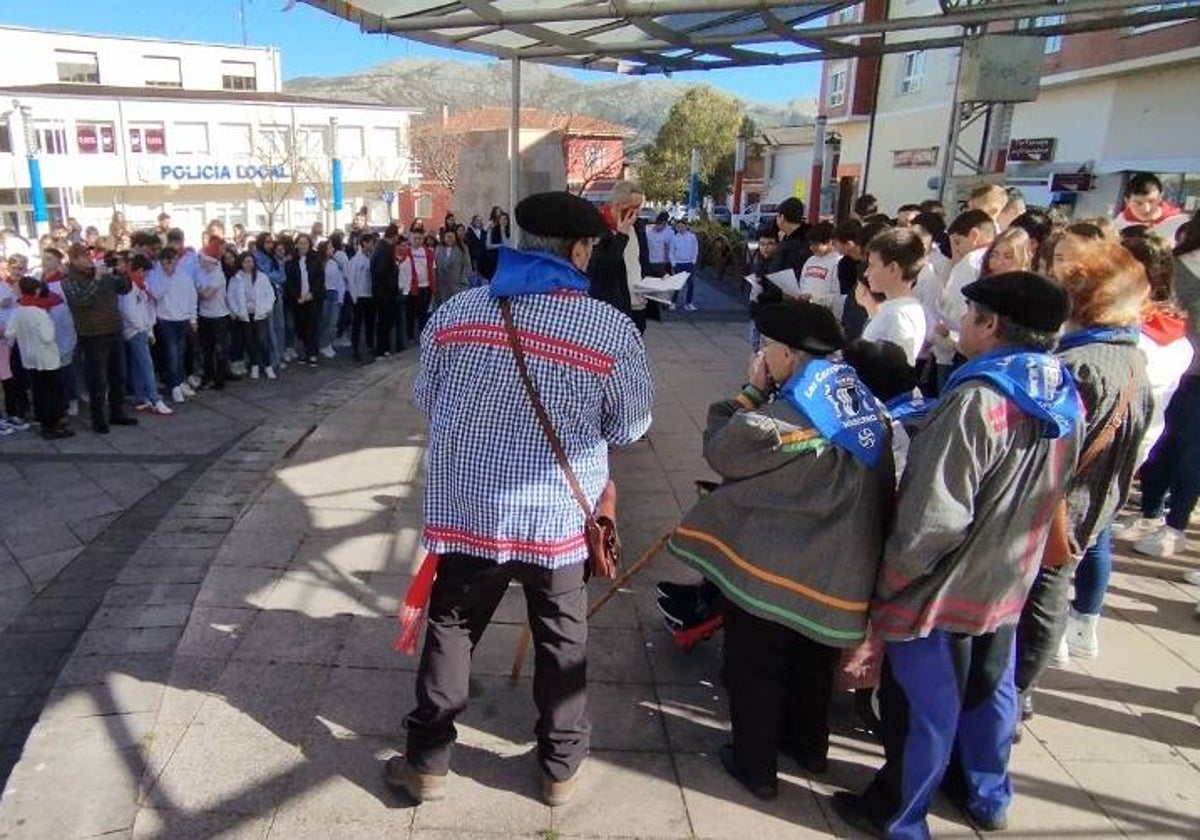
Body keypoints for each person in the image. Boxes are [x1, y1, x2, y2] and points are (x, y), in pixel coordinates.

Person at [388, 191, 654, 808]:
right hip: (557, 520)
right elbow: (631, 427)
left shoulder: (456, 314)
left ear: (520, 241)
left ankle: (427, 761)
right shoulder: (608, 328)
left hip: (468, 514)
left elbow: (426, 399)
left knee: (452, 626)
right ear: (580, 250)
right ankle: (558, 769)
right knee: (562, 637)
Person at [832, 271, 1083, 838]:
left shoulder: (978, 400)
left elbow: (933, 518)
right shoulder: (1061, 389)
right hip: (1008, 579)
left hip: (943, 592)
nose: (956, 325)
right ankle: (985, 794)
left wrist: (890, 586)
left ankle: (900, 814)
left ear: (992, 325)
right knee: (991, 693)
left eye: (969, 316)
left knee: (923, 713)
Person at [667, 298, 893, 800]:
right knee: (813, 663)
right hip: (837, 571)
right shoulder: (862, 401)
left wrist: (750, 391)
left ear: (789, 355)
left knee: (757, 665)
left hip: (775, 568)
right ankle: (809, 750)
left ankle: (755, 767)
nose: (763, 356)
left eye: (768, 348)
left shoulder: (786, 414)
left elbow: (725, 448)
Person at [1016, 241, 1153, 709]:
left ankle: (1015, 698)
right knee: (1050, 590)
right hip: (1092, 505)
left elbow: (1045, 447)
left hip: (1059, 507)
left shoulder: (1082, 367)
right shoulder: (1131, 358)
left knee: (1039, 598)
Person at [1067, 231, 1193, 657]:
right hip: (1134, 443)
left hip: (1102, 443)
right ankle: (1084, 620)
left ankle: (1074, 623)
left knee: (1077, 536)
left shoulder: (1135, 339)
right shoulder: (1174, 333)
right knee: (1095, 531)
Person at [1124, 217, 1200, 562]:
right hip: (1175, 365)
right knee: (1162, 443)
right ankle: (1150, 513)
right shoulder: (1179, 263)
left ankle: (1176, 526)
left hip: (1187, 370)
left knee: (1191, 456)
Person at [61, 243, 137, 434]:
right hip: (92, 334)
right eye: (85, 256)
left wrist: (121, 272)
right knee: (98, 380)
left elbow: (124, 289)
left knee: (118, 375)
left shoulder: (102, 271)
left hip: (113, 329)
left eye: (90, 255)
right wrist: (96, 279)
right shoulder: (69, 278)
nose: (90, 259)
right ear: (75, 259)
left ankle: (117, 412)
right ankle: (98, 419)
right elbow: (81, 300)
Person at [8, 276, 72, 439]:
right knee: (53, 393)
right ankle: (54, 425)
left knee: (38, 391)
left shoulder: (18, 311)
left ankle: (43, 422)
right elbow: (48, 337)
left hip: (29, 358)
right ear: (36, 290)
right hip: (47, 358)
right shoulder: (40, 312)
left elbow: (10, 333)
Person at [588, 181, 652, 330]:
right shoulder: (598, 230)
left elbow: (641, 261)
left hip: (638, 304)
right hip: (613, 309)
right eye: (631, 209)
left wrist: (659, 278)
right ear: (616, 205)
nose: (635, 214)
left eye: (639, 209)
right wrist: (621, 236)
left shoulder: (637, 227)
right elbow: (603, 271)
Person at [860, 229, 928, 367]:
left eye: (872, 265)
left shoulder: (899, 315)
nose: (866, 273)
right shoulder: (894, 309)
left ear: (893, 269)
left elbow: (896, 368)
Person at [117, 253, 170, 416]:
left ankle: (141, 396)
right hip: (136, 330)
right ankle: (155, 399)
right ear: (140, 270)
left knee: (137, 364)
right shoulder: (129, 286)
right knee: (147, 365)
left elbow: (147, 308)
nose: (147, 275)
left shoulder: (141, 285)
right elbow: (128, 311)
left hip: (141, 328)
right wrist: (143, 328)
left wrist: (149, 328)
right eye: (146, 272)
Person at [147, 245, 198, 404]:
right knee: (172, 352)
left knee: (181, 352)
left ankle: (180, 381)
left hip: (182, 318)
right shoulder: (155, 275)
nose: (172, 265)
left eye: (175, 261)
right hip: (166, 319)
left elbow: (192, 296)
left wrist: (193, 318)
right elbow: (156, 294)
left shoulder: (184, 275)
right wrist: (167, 277)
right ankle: (174, 385)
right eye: (168, 262)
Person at [227, 251, 277, 380]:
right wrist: (237, 311)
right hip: (245, 315)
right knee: (250, 342)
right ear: (241, 263)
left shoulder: (262, 277)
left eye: (251, 261)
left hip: (260, 314)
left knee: (263, 340)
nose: (248, 264)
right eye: (245, 262)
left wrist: (267, 309)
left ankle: (267, 365)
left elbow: (270, 295)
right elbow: (230, 297)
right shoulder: (236, 278)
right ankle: (254, 364)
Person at [195, 239, 232, 390]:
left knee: (220, 348)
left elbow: (207, 294)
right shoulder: (203, 272)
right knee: (207, 348)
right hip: (205, 315)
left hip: (219, 316)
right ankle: (209, 375)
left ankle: (220, 377)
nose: (200, 261)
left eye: (202, 259)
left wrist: (199, 289)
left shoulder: (217, 274)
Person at [285, 233, 324, 366]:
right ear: (296, 245)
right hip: (299, 300)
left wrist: (312, 293)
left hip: (313, 298)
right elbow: (289, 282)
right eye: (300, 243)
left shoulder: (316, 260)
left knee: (312, 326)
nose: (303, 246)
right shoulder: (291, 262)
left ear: (309, 245)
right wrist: (297, 297)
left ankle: (313, 354)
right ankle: (304, 352)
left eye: (305, 243)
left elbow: (320, 280)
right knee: (301, 327)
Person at [1114, 172, 1188, 240]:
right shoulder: (1121, 221)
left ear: (1160, 197)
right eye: (1138, 203)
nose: (1146, 209)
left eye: (1151, 201)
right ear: (1127, 201)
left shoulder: (1179, 221)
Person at [798, 221, 843, 313]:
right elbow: (802, 284)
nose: (811, 248)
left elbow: (838, 296)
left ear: (829, 242)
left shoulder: (838, 262)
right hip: (805, 311)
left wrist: (813, 298)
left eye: (815, 244)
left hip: (826, 314)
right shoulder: (810, 260)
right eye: (810, 244)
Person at [371, 225, 403, 357]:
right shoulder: (384, 249)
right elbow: (381, 272)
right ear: (394, 236)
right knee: (385, 321)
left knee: (384, 321)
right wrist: (393, 283)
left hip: (382, 291)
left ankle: (383, 347)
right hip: (385, 292)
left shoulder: (381, 247)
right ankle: (382, 348)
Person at [347, 232, 376, 363]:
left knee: (370, 322)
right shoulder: (355, 260)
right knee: (357, 324)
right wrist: (354, 297)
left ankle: (370, 345)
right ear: (364, 243)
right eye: (371, 243)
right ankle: (355, 349)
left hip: (370, 295)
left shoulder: (371, 258)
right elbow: (351, 279)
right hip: (359, 296)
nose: (372, 245)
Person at [405, 235, 437, 342]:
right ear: (411, 239)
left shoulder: (428, 252)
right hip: (412, 287)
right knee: (410, 313)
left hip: (425, 286)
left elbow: (432, 269)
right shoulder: (407, 252)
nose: (417, 240)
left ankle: (423, 334)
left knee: (423, 313)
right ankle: (409, 336)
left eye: (420, 238)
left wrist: (433, 285)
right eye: (415, 238)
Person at [318, 239, 345, 359]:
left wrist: (341, 297)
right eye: (329, 248)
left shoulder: (334, 263)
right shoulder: (320, 263)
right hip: (325, 294)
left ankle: (327, 343)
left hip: (334, 293)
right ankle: (323, 344)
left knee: (333, 322)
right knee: (324, 321)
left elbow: (339, 280)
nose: (332, 250)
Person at [668, 219, 700, 311]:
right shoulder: (674, 238)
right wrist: (673, 263)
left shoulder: (692, 236)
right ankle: (673, 303)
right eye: (678, 227)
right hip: (678, 263)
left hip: (689, 263)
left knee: (690, 284)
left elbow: (695, 249)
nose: (681, 228)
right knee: (677, 284)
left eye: (682, 226)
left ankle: (688, 303)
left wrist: (693, 260)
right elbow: (671, 251)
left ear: (686, 227)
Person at [434, 229, 470, 305]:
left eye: (452, 237)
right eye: (448, 237)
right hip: (442, 285)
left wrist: (463, 281)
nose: (450, 239)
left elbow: (467, 266)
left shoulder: (462, 249)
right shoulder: (438, 248)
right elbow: (435, 266)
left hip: (457, 284)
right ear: (444, 238)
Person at [645, 211, 674, 278]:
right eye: (659, 224)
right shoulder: (648, 231)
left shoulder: (669, 232)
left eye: (664, 224)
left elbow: (670, 248)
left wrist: (670, 263)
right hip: (650, 261)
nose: (661, 227)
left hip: (663, 262)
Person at [464, 214, 487, 282]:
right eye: (477, 220)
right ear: (473, 221)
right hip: (474, 257)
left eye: (480, 220)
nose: (479, 222)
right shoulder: (469, 231)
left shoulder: (483, 231)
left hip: (483, 257)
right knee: (475, 275)